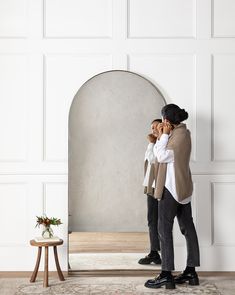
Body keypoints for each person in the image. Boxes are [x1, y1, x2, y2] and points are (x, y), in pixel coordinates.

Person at [145, 104, 200, 290]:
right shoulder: (184, 133)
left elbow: (161, 156)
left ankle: (166, 274)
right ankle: (191, 271)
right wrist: (162, 135)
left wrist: (164, 136)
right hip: (184, 188)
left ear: (167, 120)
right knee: (187, 228)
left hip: (171, 189)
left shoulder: (178, 136)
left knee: (164, 229)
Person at [139, 119, 162, 265]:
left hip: (160, 185)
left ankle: (161, 252)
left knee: (160, 221)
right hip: (151, 186)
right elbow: (147, 158)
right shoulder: (155, 143)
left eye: (155, 127)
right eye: (151, 127)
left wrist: (152, 143)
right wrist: (151, 143)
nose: (153, 130)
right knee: (152, 219)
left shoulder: (162, 142)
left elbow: (154, 159)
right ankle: (154, 252)